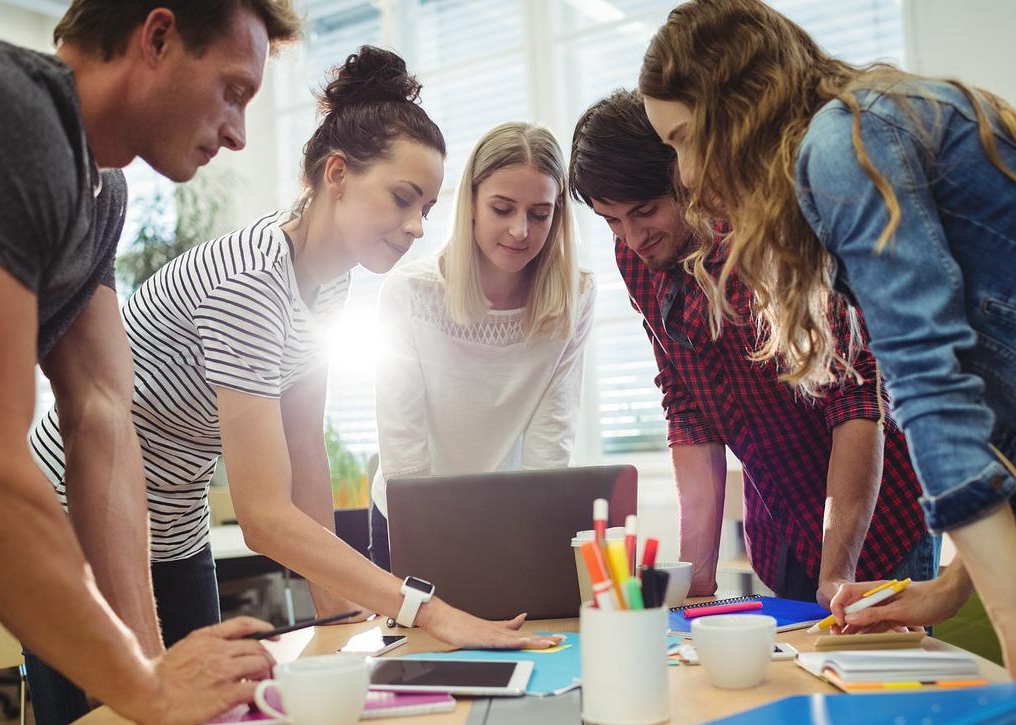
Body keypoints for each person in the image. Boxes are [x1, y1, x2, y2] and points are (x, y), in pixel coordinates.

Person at [28, 47, 562, 725]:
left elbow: (305, 450)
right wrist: (423, 609)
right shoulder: (250, 280)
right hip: (78, 511)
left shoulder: (327, 282)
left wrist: (340, 617)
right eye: (403, 198)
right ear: (336, 175)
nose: (416, 227)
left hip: (174, 524)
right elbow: (264, 516)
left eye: (427, 207)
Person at [638, 0, 1016, 672]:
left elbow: (933, 391)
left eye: (684, 137)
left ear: (737, 104)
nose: (688, 174)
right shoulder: (862, 128)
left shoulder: (842, 148)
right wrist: (944, 592)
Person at [0, 0, 301, 725]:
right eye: (233, 91)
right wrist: (146, 688)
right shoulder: (3, 109)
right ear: (157, 37)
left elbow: (104, 415)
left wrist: (152, 675)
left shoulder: (99, 191)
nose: (239, 133)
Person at [568, 89, 935, 606]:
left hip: (874, 524)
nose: (631, 238)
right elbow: (687, 406)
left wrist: (838, 573)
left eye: (645, 211)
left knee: (882, 682)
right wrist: (695, 575)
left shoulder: (768, 239)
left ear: (686, 176)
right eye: (611, 220)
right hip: (781, 528)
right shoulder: (638, 259)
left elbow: (854, 401)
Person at [368, 122, 595, 571]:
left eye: (539, 213)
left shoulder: (575, 296)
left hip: (511, 516)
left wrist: (529, 538)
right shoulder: (410, 292)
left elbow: (551, 442)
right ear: (471, 204)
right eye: (502, 208)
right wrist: (435, 541)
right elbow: (403, 446)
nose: (520, 231)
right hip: (410, 514)